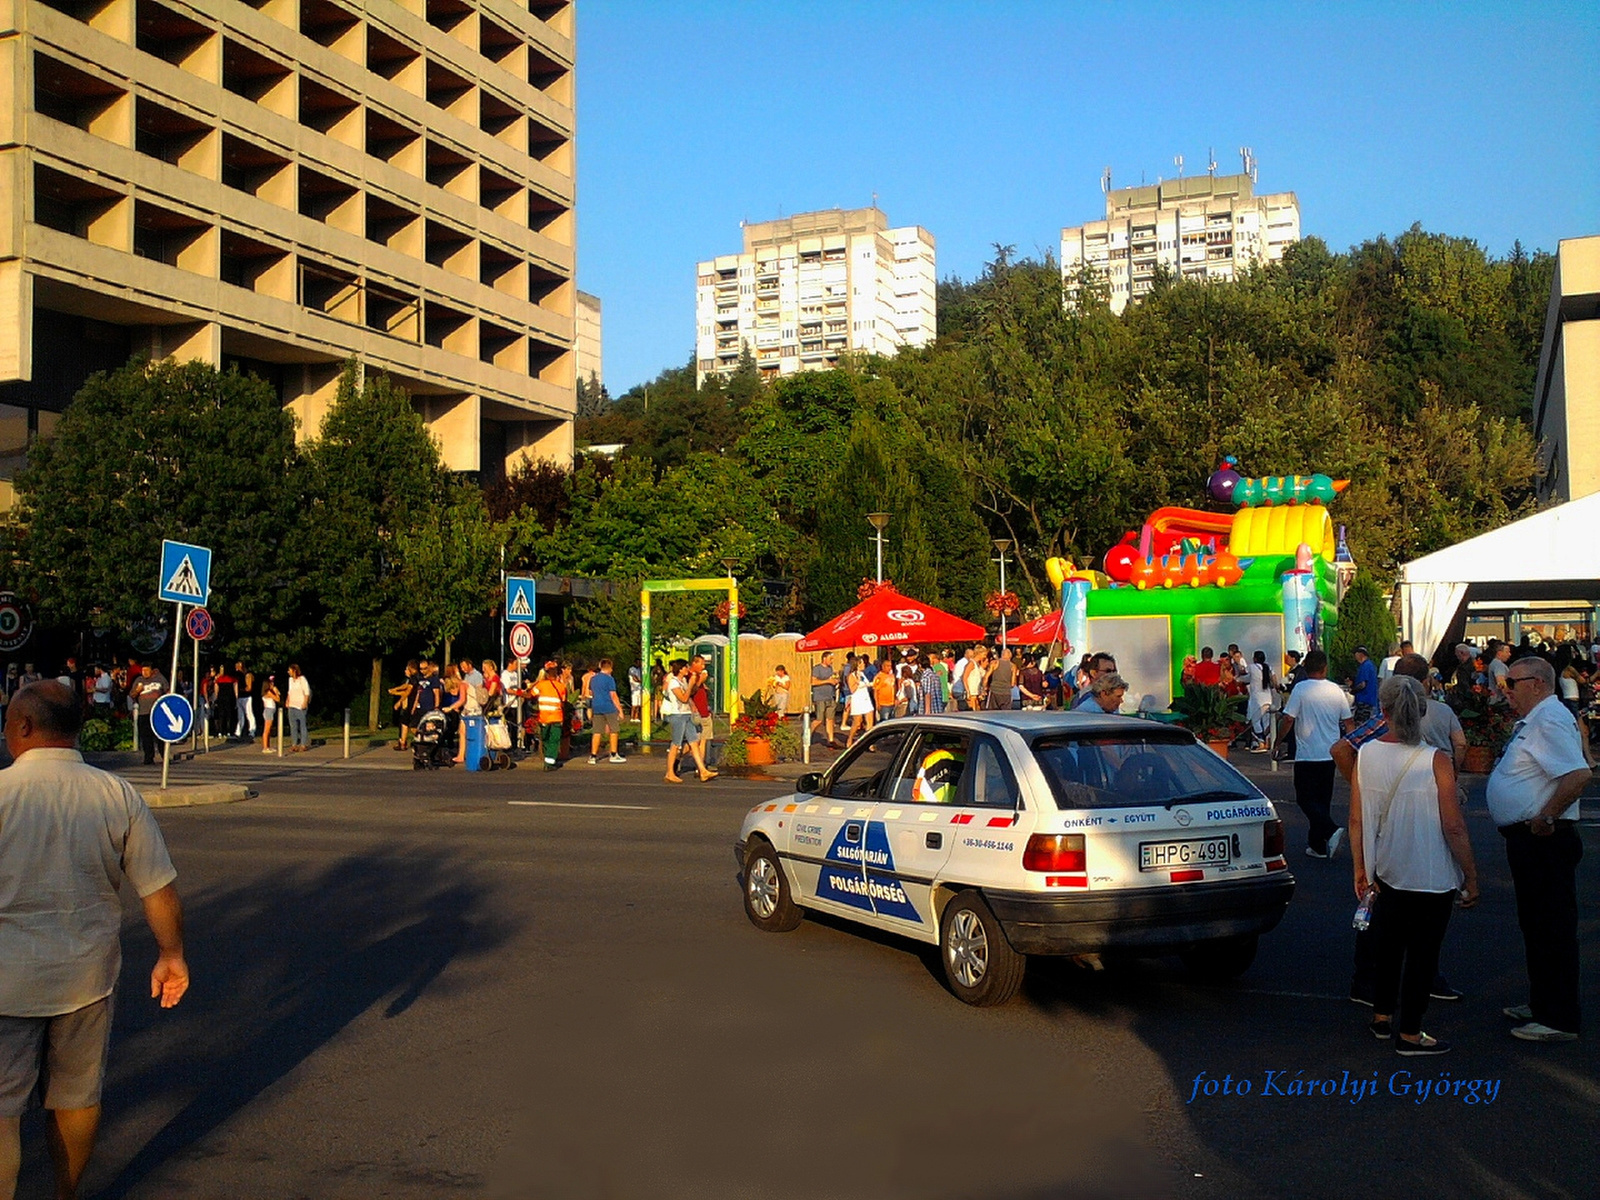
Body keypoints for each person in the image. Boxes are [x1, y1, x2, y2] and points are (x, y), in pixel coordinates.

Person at [0, 682, 189, 1200]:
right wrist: (171, 955)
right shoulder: (116, 794)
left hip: (4, 979)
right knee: (76, 1098)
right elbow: (157, 887)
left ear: (22, 728)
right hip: (86, 977)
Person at [1349, 676, 1479, 1056]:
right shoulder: (1436, 760)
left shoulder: (1366, 754)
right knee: (1423, 953)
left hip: (1385, 869)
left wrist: (1360, 867)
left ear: (1383, 712)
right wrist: (1470, 875)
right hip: (1430, 871)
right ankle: (1411, 1032)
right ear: (1422, 712)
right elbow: (1453, 825)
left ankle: (1382, 1015)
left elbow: (1357, 820)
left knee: (1388, 946)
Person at [1333, 652, 1465, 1007]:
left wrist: (1363, 789)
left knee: (1382, 908)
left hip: (1389, 822)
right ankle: (1421, 984)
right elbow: (1461, 746)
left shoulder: (1384, 722)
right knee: (1424, 917)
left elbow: (1342, 749)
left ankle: (1375, 991)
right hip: (1428, 818)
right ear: (1427, 681)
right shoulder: (1439, 712)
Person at [1487, 656, 1591, 1042]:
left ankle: (1559, 1017)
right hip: (1529, 841)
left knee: (1552, 926)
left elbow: (1578, 774)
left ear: (1537, 683)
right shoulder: (1536, 720)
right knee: (1536, 924)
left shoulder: (1549, 719)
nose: (1505, 690)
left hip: (1544, 840)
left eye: (1511, 683)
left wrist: (1547, 815)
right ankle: (1543, 1001)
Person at [1279, 649, 1353, 859]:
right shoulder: (1336, 690)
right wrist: (1352, 746)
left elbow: (1288, 719)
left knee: (1304, 798)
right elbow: (1348, 722)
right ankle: (1317, 844)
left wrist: (1278, 741)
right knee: (1322, 800)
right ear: (1325, 668)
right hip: (1330, 754)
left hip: (1307, 754)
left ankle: (1330, 830)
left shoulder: (1301, 689)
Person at [661, 659, 714, 783]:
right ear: (680, 669)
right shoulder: (674, 683)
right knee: (676, 744)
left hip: (686, 714)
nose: (687, 669)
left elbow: (688, 697)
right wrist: (691, 684)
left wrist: (692, 706)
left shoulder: (683, 680)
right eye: (685, 667)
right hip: (677, 715)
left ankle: (702, 770)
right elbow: (683, 698)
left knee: (694, 742)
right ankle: (669, 773)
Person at [586, 658, 625, 765]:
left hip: (597, 706)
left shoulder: (593, 679)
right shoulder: (609, 679)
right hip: (608, 706)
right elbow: (613, 695)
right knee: (614, 730)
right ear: (609, 668)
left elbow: (590, 691)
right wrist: (620, 710)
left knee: (597, 731)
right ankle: (613, 754)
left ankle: (593, 756)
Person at [532, 661, 566, 771]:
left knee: (546, 739)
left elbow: (531, 694)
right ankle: (549, 762)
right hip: (556, 717)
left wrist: (518, 692)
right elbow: (564, 701)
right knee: (554, 740)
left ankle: (549, 760)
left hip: (544, 718)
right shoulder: (561, 687)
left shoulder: (541, 685)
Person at [131, 664, 167, 767]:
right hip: (144, 712)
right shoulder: (139, 680)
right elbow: (132, 695)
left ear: (151, 670)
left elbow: (167, 690)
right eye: (143, 670)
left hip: (157, 712)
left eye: (147, 670)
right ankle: (148, 757)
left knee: (160, 735)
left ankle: (164, 755)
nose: (145, 672)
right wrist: (138, 690)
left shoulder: (159, 678)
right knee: (146, 736)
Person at [844, 655, 875, 748]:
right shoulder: (851, 676)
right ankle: (850, 739)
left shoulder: (862, 674)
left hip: (866, 698)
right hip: (857, 699)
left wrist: (872, 684)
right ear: (857, 664)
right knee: (857, 722)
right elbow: (852, 690)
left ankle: (869, 743)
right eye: (862, 663)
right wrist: (857, 682)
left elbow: (865, 684)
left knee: (870, 721)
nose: (864, 664)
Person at [1247, 650, 1275, 752]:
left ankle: (1261, 742)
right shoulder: (1269, 668)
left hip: (1257, 700)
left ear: (1255, 659)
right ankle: (1268, 742)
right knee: (1267, 721)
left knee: (1255, 721)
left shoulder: (1252, 667)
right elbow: (1274, 682)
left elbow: (1243, 673)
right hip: (1268, 698)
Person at [810, 652, 839, 748]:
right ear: (824, 658)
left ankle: (830, 740)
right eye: (830, 659)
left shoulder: (830, 669)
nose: (832, 661)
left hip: (830, 696)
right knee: (819, 719)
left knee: (830, 719)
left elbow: (831, 679)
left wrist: (835, 681)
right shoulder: (817, 668)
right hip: (820, 697)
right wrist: (827, 681)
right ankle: (808, 734)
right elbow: (813, 682)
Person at [389, 661, 419, 751]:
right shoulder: (413, 678)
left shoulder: (414, 678)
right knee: (404, 722)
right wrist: (396, 690)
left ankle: (420, 739)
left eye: (407, 668)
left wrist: (399, 701)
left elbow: (408, 691)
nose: (405, 670)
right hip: (411, 703)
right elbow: (405, 687)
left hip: (412, 704)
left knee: (412, 726)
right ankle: (402, 742)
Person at [1348, 646, 1379, 723]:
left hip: (1365, 701)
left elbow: (1362, 684)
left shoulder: (1365, 666)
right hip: (1370, 700)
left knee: (1361, 724)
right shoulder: (1369, 665)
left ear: (1360, 654)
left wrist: (1352, 691)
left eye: (1355, 654)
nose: (1355, 657)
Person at [285, 664, 311, 753]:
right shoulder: (290, 680)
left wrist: (305, 702)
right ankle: (294, 744)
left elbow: (306, 691)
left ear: (294, 670)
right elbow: (290, 691)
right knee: (293, 726)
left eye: (290, 670)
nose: (288, 672)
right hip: (292, 704)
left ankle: (303, 744)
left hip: (300, 705)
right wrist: (287, 700)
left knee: (302, 725)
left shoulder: (302, 679)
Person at [985, 646, 1015, 711]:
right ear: (1010, 656)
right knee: (1006, 713)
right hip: (1006, 693)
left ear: (1002, 654)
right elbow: (1013, 683)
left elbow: (986, 677)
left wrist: (984, 687)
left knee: (992, 712)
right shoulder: (1013, 666)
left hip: (994, 691)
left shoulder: (994, 663)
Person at [260, 673, 280, 753]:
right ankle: (265, 747)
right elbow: (277, 699)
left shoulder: (268, 692)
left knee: (269, 730)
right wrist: (276, 691)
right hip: (268, 710)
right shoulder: (268, 692)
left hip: (270, 710)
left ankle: (268, 746)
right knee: (267, 730)